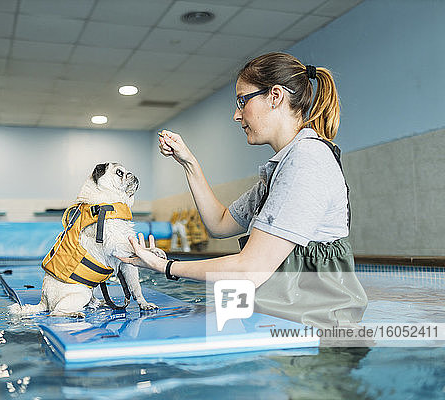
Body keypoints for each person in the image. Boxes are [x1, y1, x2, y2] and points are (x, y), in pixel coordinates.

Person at [120, 52, 368, 328]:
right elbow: (220, 223)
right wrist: (189, 163)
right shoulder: (282, 167)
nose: (236, 115)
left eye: (242, 101)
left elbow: (249, 269)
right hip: (290, 322)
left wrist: (164, 267)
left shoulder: (306, 160)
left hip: (318, 335)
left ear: (275, 96)